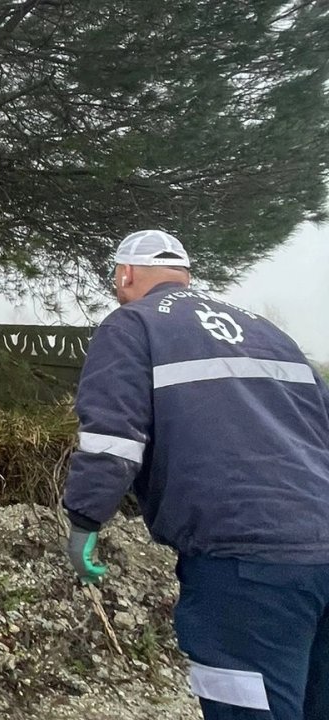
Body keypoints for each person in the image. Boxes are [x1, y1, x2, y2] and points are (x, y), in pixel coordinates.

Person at [61, 230, 329, 720]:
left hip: (244, 564)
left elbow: (113, 439)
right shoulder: (270, 333)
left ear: (126, 275)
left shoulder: (132, 324)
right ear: (185, 275)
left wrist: (83, 522)